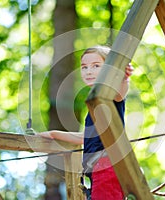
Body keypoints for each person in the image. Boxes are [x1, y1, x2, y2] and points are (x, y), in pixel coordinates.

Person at [39, 45, 133, 199]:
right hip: (98, 171)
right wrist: (54, 134)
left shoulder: (109, 94)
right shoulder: (94, 103)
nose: (88, 71)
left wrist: (123, 78)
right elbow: (86, 137)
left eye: (96, 66)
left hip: (107, 167)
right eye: (84, 67)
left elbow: (120, 94)